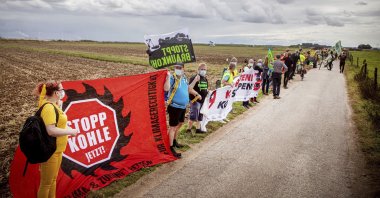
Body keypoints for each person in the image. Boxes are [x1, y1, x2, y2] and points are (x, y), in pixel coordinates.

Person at [34, 81, 78, 198]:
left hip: (57, 149)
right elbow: (51, 130)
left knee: (53, 180)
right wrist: (71, 131)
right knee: (46, 184)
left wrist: (59, 105)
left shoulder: (53, 105)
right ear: (56, 93)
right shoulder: (48, 108)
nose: (63, 92)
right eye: (61, 90)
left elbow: (59, 125)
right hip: (51, 152)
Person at [164, 62, 197, 158]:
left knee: (180, 123)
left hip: (182, 107)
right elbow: (166, 89)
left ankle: (174, 141)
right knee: (173, 127)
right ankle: (170, 147)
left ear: (183, 68)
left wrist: (196, 93)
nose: (177, 69)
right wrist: (167, 78)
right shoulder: (172, 78)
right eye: (176, 67)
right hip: (174, 107)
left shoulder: (184, 78)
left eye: (179, 67)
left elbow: (188, 89)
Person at [187, 63, 209, 133]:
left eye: (205, 69)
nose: (203, 71)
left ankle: (198, 129)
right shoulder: (194, 78)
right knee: (193, 115)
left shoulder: (205, 78)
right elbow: (190, 89)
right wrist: (197, 95)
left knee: (200, 115)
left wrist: (207, 92)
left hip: (202, 101)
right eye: (202, 69)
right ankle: (188, 129)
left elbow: (205, 88)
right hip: (195, 100)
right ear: (198, 70)